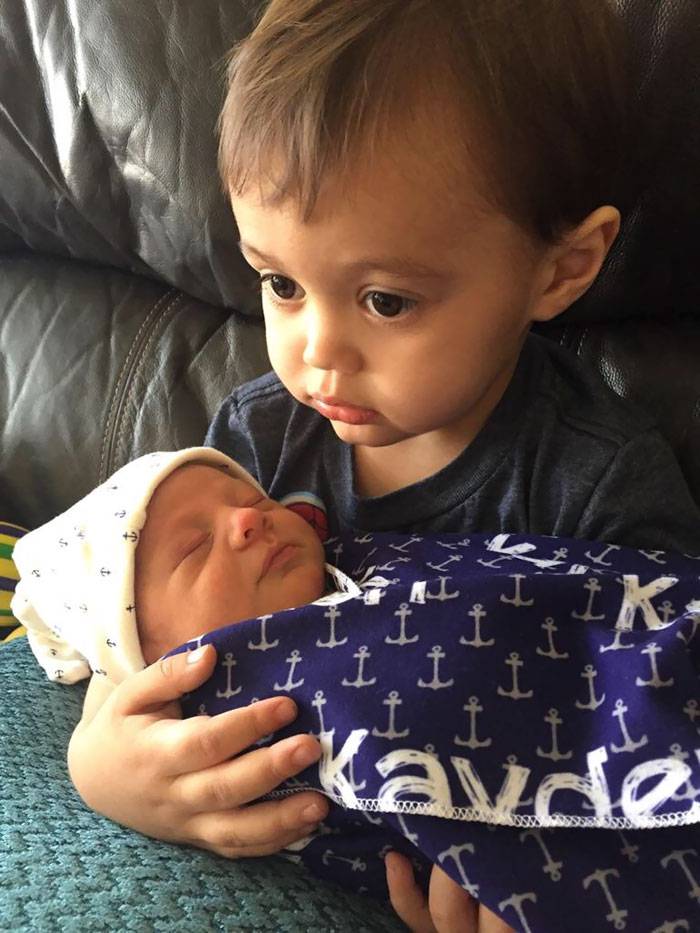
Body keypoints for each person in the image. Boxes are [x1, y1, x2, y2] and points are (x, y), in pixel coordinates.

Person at [64, 1, 700, 929]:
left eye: (386, 301)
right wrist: (102, 767)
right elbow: (136, 627)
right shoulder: (261, 435)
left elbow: (666, 710)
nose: (317, 352)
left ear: (561, 269)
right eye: (281, 283)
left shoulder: (597, 484)